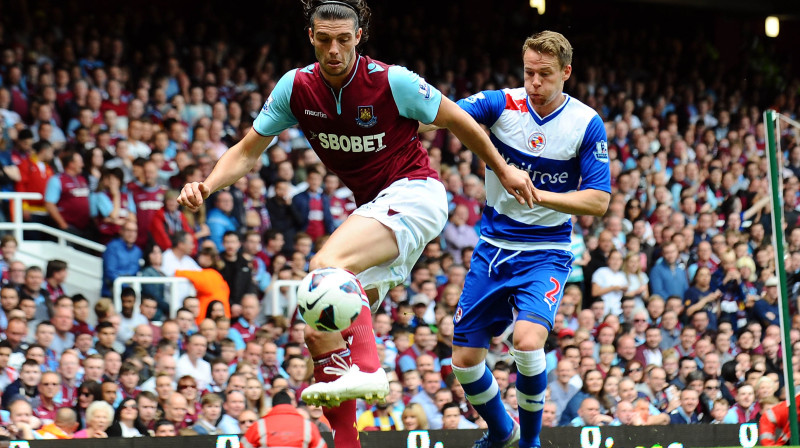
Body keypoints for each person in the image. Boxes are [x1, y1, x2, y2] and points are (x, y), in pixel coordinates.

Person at [177, 2, 534, 447]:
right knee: (316, 327)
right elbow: (249, 150)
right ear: (310, 36)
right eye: (324, 39)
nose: (334, 50)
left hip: (416, 194)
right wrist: (207, 184)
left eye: (344, 39)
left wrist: (503, 170)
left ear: (360, 36)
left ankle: (368, 366)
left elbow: (458, 120)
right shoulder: (296, 88)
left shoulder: (392, 81)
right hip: (374, 209)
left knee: (326, 263)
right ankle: (347, 442)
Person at [441, 30, 610, 448]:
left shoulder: (585, 123)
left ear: (566, 72)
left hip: (547, 250)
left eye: (545, 75)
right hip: (493, 246)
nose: (535, 83)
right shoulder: (500, 103)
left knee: (528, 340)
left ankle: (531, 443)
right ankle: (503, 432)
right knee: (463, 361)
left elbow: (599, 201)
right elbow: (443, 115)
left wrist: (535, 191)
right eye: (529, 72)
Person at [241, 389, 327, 448]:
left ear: (272, 406)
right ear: (291, 405)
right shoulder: (308, 426)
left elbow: (243, 446)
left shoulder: (259, 425)